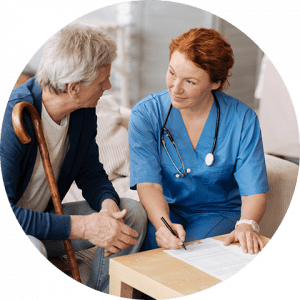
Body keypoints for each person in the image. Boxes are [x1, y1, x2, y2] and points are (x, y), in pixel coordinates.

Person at [0, 23, 147, 294]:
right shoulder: (13, 119)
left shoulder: (82, 110)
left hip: (47, 221)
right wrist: (83, 227)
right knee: (33, 246)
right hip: (21, 228)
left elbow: (90, 171)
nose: (109, 85)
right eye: (102, 80)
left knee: (131, 215)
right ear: (74, 87)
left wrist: (107, 207)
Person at [129, 28, 270, 255]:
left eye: (190, 82)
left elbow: (253, 189)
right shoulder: (146, 114)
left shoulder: (242, 119)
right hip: (167, 210)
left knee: (186, 255)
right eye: (172, 73)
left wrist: (247, 223)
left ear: (215, 83)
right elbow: (149, 184)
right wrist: (163, 225)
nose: (175, 89)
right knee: (142, 249)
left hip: (217, 212)